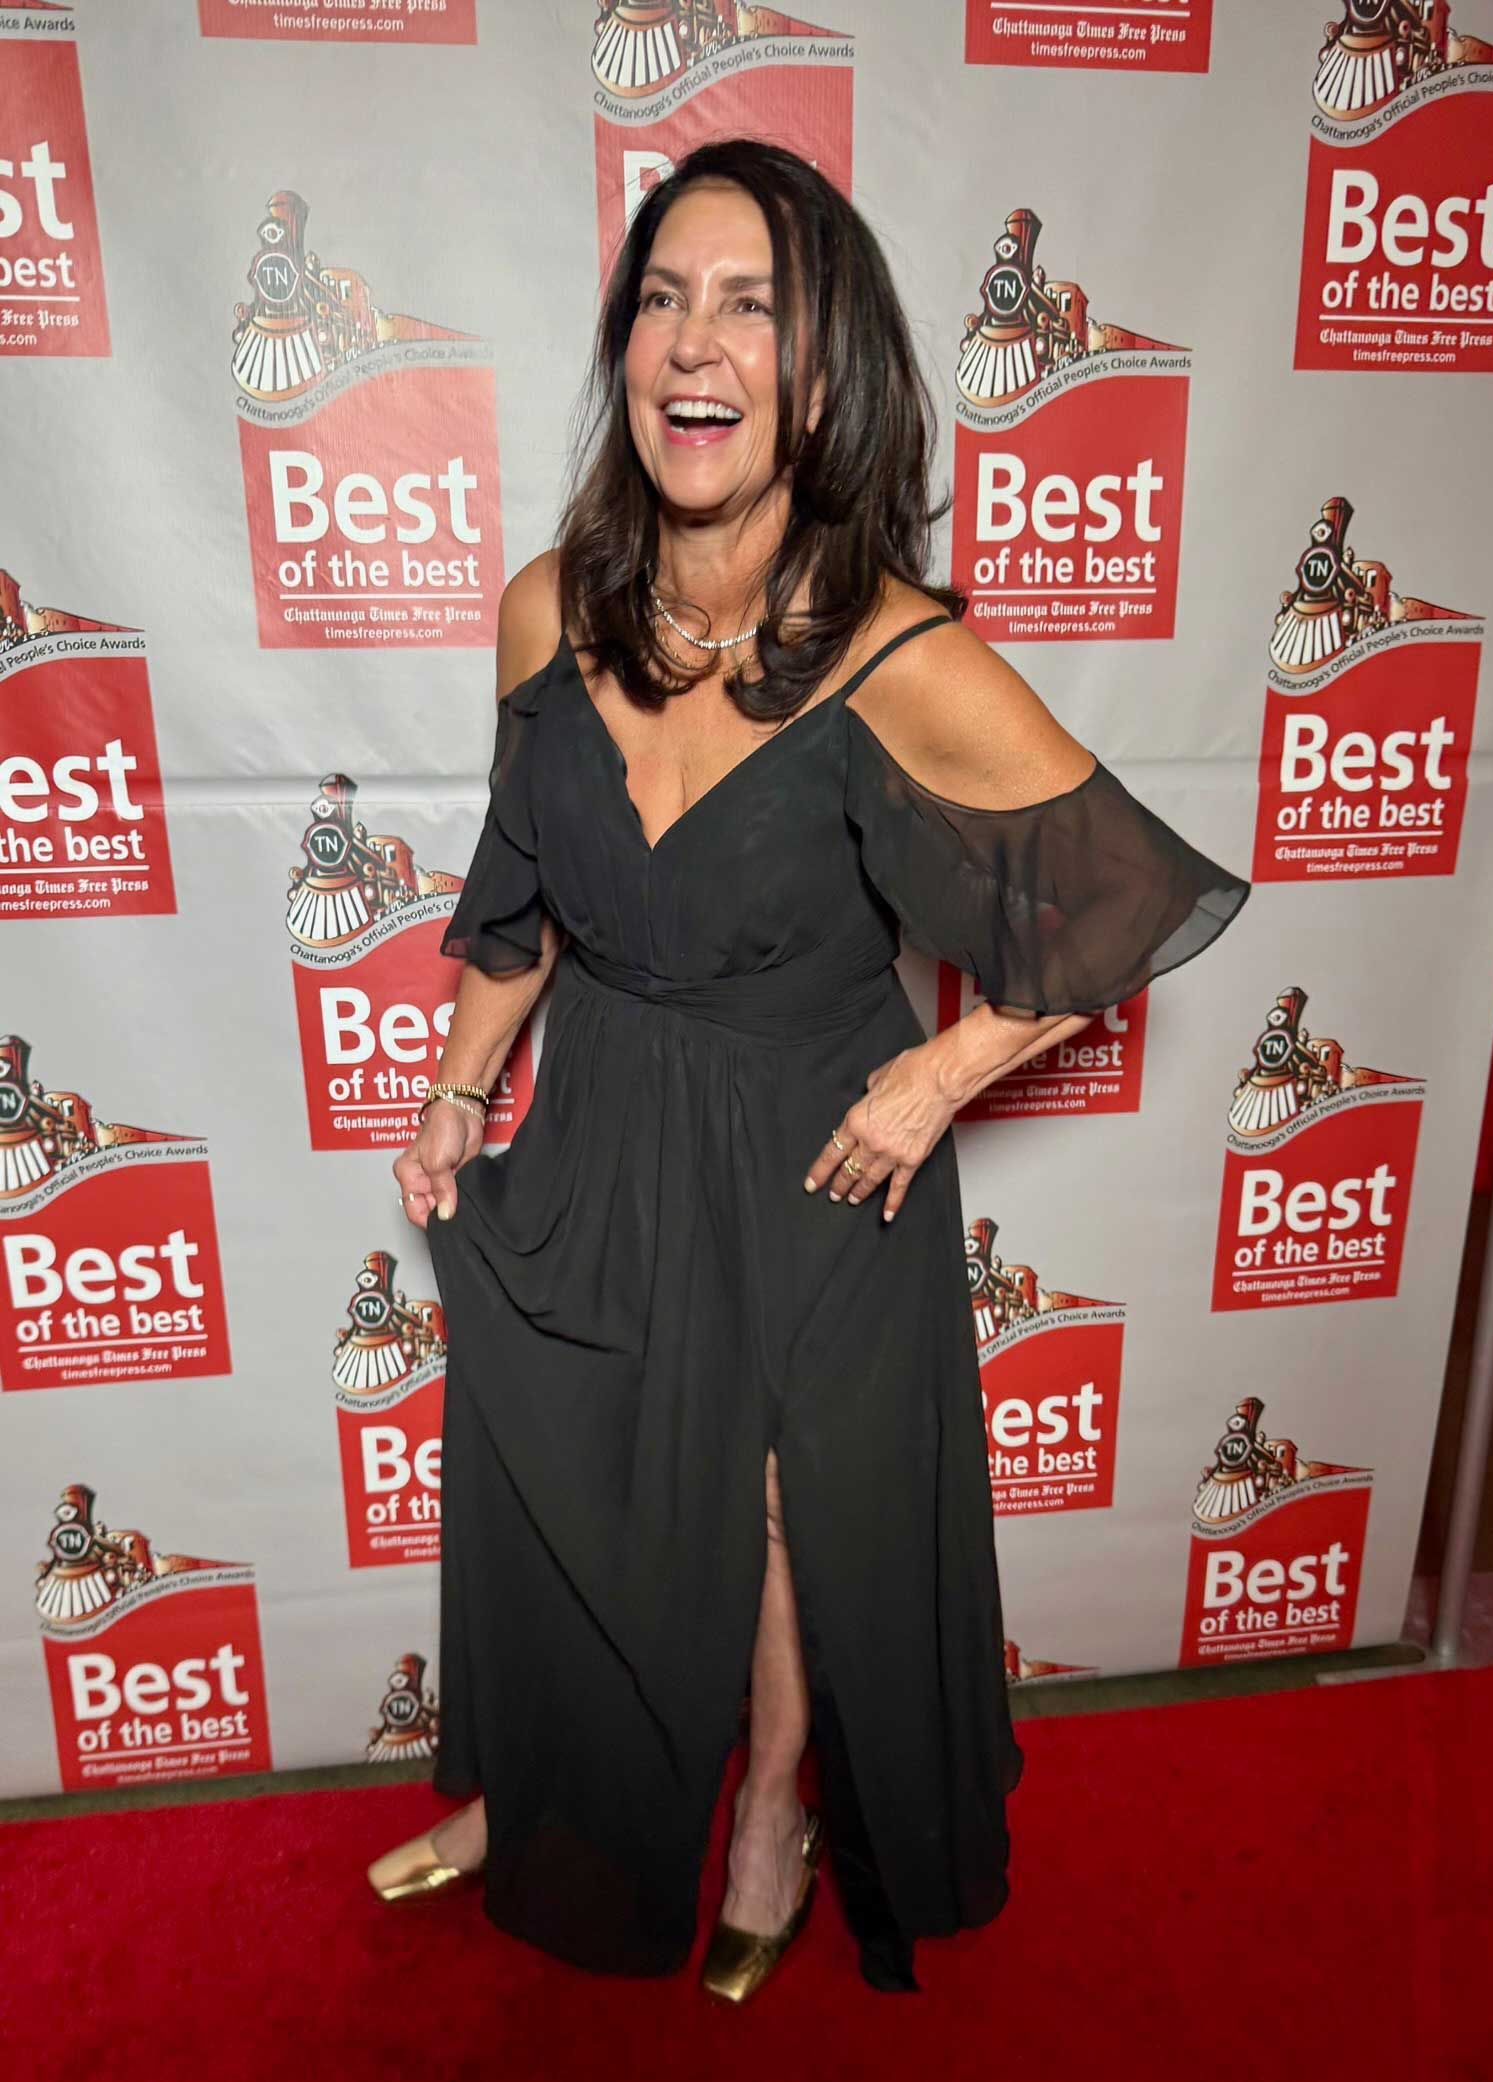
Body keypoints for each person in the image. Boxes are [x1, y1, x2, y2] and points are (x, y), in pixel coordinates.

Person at [364, 138, 1249, 2000]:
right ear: (624, 352)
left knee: (780, 1508)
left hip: (808, 1136)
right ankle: (536, 1788)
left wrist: (940, 1077)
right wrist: (454, 1091)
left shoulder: (893, 651)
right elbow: (516, 902)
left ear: (824, 373)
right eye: (662, 300)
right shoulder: (546, 608)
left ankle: (772, 1806)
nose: (696, 343)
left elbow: (1117, 898)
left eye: (750, 306)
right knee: (560, 1456)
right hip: (605, 1109)